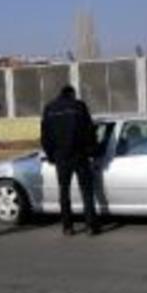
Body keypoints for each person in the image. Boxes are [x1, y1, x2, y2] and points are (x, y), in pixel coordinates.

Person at [41, 85, 100, 236]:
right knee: (86, 191)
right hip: (79, 155)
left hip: (61, 157)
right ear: (72, 94)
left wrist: (50, 155)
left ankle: (67, 227)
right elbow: (89, 130)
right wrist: (92, 150)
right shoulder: (79, 106)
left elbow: (45, 135)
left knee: (64, 191)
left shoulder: (49, 108)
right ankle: (90, 226)